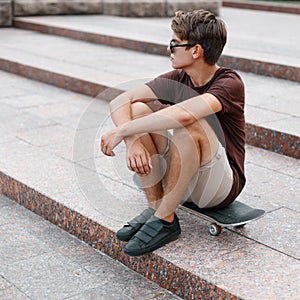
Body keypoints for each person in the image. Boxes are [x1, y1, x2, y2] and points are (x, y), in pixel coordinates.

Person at [101, 9, 246, 256]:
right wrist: (132, 139)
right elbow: (120, 101)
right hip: (184, 171)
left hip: (219, 186)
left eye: (175, 43)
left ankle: (165, 220)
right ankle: (156, 207)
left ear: (196, 50)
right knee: (137, 109)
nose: (169, 49)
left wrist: (121, 130)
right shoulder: (179, 77)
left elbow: (186, 115)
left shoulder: (230, 83)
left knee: (191, 124)